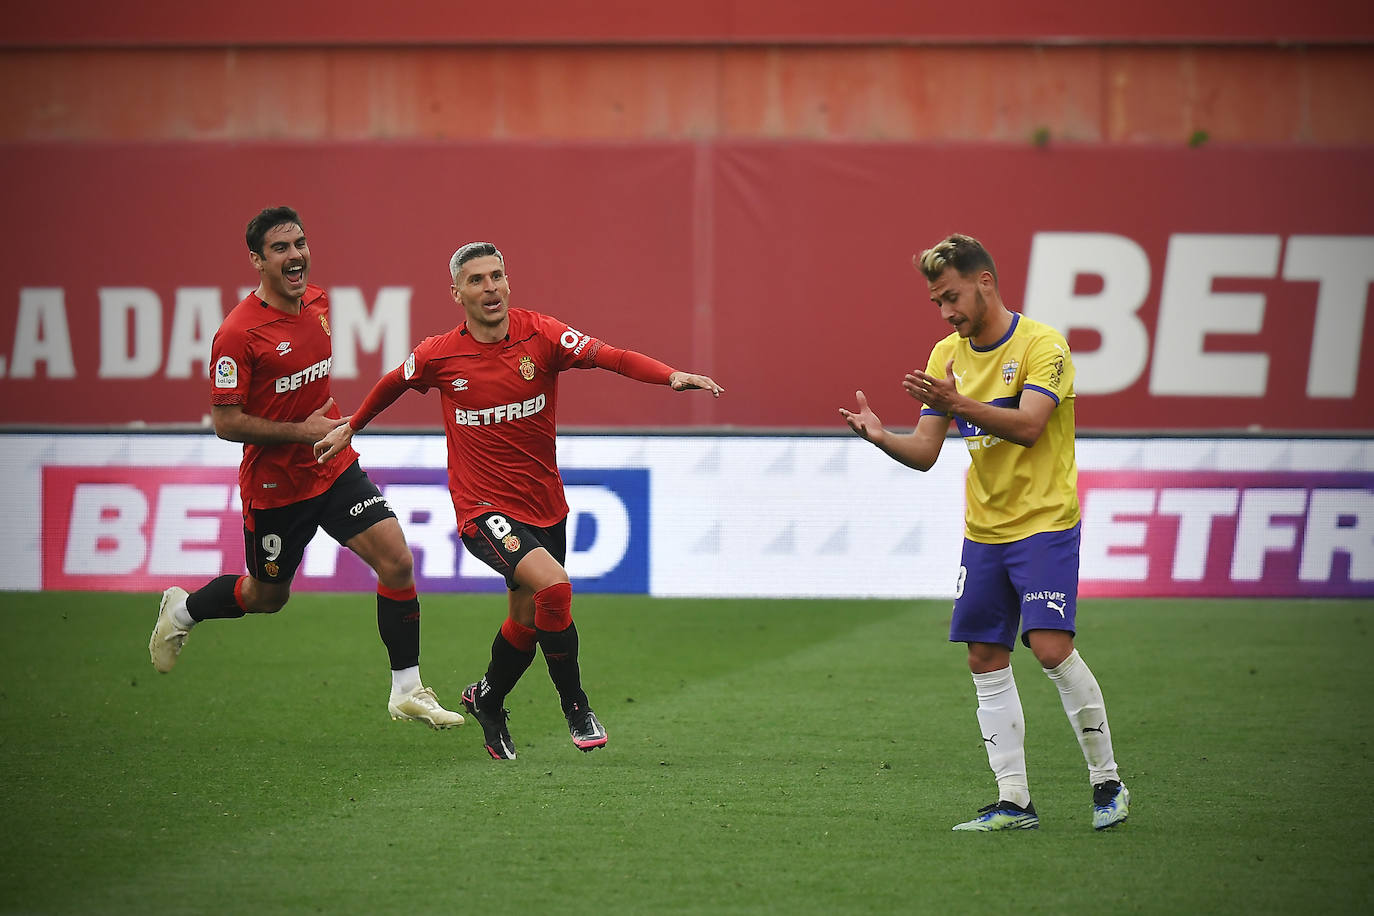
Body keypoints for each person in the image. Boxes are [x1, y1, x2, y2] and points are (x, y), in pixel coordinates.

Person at [314, 241, 724, 759]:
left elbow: (609, 357)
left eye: (497, 276)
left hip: (545, 505)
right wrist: (351, 427)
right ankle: (576, 705)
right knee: (555, 588)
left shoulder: (542, 334)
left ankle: (488, 698)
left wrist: (671, 376)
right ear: (457, 293)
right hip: (482, 511)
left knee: (527, 623)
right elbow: (394, 382)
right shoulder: (440, 354)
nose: (491, 288)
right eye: (478, 280)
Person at [839, 233, 1128, 831]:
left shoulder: (1043, 344)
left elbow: (1029, 425)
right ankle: (1014, 801)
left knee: (1049, 647)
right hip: (986, 529)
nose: (946, 313)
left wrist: (959, 403)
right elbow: (924, 452)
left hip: (1045, 521)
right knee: (984, 656)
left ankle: (1107, 783)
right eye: (938, 303)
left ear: (985, 282)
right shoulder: (946, 354)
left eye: (951, 297)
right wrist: (880, 438)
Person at [147, 205, 463, 730]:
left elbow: (306, 386)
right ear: (257, 260)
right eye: (280, 248)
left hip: (331, 464)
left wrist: (328, 430)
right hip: (276, 485)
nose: (295, 256)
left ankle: (407, 688)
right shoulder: (237, 335)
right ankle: (182, 611)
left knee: (397, 561)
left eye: (299, 244)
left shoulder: (317, 302)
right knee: (266, 596)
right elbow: (225, 424)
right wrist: (302, 431)